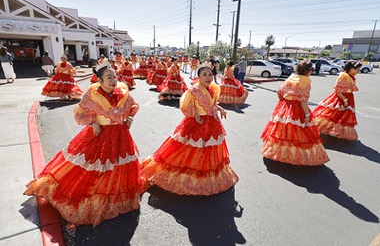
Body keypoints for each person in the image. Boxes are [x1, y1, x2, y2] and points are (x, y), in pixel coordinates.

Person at [24, 61, 144, 227]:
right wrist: (92, 123)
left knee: (118, 166)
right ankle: (95, 196)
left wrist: (129, 118)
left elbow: (134, 106)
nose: (113, 80)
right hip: (99, 135)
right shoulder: (92, 92)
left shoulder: (123, 91)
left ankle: (113, 195)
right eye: (109, 77)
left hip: (121, 135)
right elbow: (79, 113)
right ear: (100, 80)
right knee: (95, 166)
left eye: (114, 76)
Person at [141, 63, 239, 195]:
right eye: (204, 75)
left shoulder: (213, 88)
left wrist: (219, 108)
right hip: (196, 124)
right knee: (187, 150)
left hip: (212, 125)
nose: (208, 77)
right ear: (198, 77)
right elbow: (185, 105)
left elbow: (211, 104)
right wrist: (194, 115)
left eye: (210, 74)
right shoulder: (193, 90)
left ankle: (205, 179)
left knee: (207, 151)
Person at [261, 60, 329, 166]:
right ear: (307, 71)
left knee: (282, 131)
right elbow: (303, 101)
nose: (311, 72)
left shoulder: (291, 78)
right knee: (298, 132)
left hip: (284, 106)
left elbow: (279, 92)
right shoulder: (306, 81)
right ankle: (293, 155)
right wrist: (307, 115)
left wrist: (283, 103)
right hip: (296, 109)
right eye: (311, 70)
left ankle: (279, 153)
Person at [312, 60, 362, 140]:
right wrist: (344, 99)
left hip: (348, 97)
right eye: (357, 69)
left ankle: (332, 130)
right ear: (351, 68)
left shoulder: (351, 76)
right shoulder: (343, 76)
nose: (357, 71)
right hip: (340, 98)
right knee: (330, 114)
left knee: (342, 115)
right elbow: (337, 90)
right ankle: (315, 127)